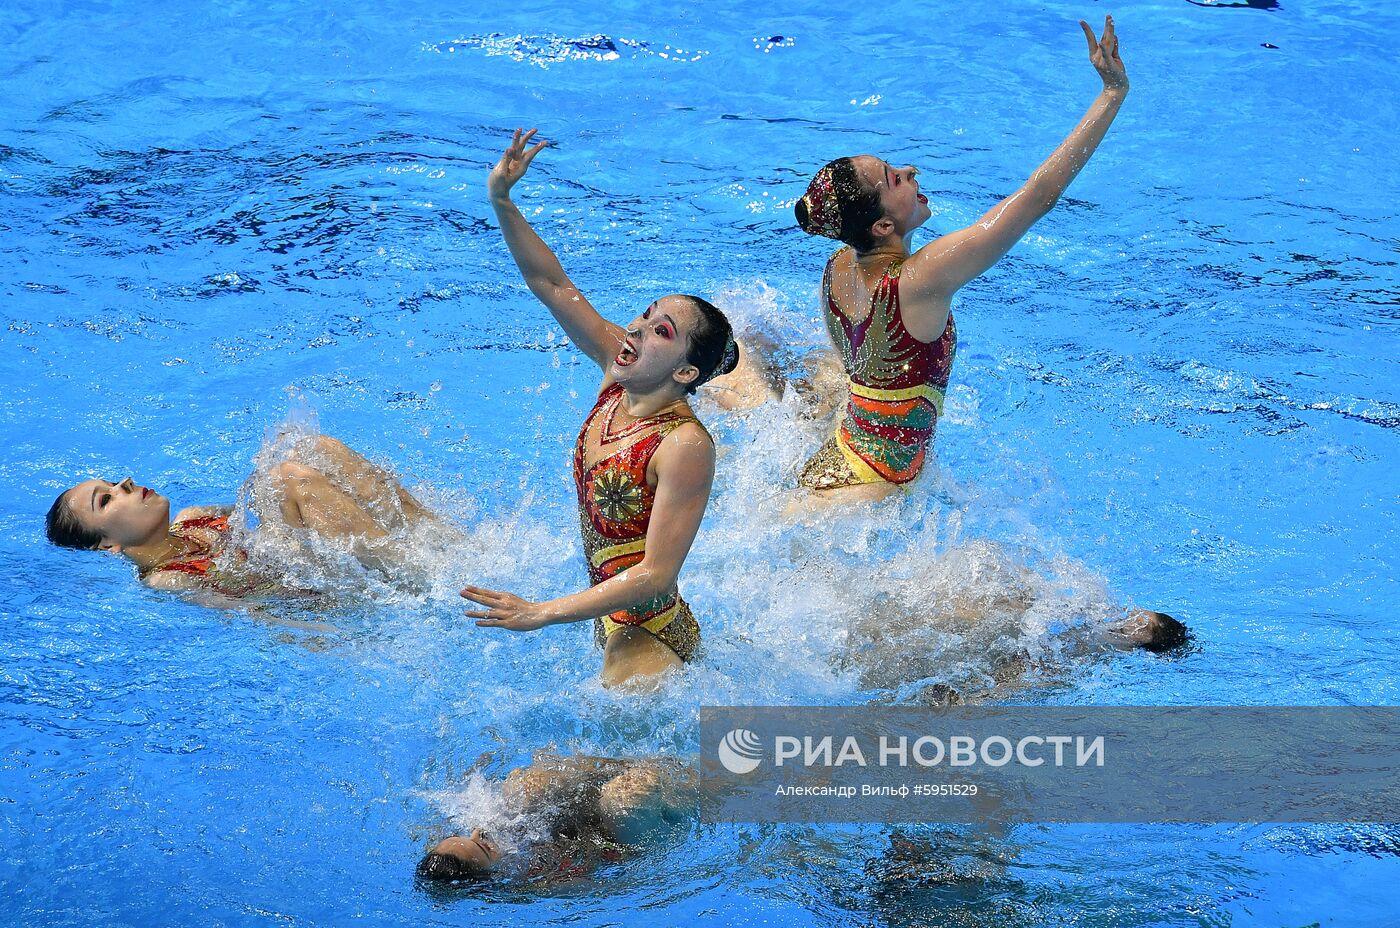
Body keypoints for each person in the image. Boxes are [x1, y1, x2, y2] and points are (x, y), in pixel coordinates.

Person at [791, 17, 1130, 507]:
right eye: (894, 179)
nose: (910, 170)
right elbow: (1039, 195)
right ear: (882, 228)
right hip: (874, 489)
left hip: (837, 458)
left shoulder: (838, 268)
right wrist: (1112, 93)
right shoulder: (919, 278)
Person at [460, 129, 739, 688]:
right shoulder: (620, 374)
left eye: (661, 331)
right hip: (609, 619)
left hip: (650, 637)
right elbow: (553, 283)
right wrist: (502, 200)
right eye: (645, 314)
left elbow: (657, 575)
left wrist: (540, 612)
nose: (634, 328)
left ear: (685, 373)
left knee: (618, 778)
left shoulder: (684, 444)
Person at [44, 434, 432, 603]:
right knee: (286, 478)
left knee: (315, 449)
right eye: (107, 499)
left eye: (113, 481)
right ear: (109, 546)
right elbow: (255, 616)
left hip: (319, 562)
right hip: (330, 592)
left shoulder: (194, 518)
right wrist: (334, 638)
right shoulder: (167, 578)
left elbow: (262, 507)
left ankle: (441, 542)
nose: (125, 482)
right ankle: (427, 574)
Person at [417, 754, 695, 884]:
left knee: (530, 784)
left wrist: (601, 768)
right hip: (619, 840)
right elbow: (611, 881)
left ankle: (632, 760)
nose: (480, 831)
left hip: (579, 815)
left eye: (467, 833)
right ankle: (724, 779)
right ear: (491, 875)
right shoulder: (536, 884)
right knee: (628, 798)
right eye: (482, 846)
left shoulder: (488, 832)